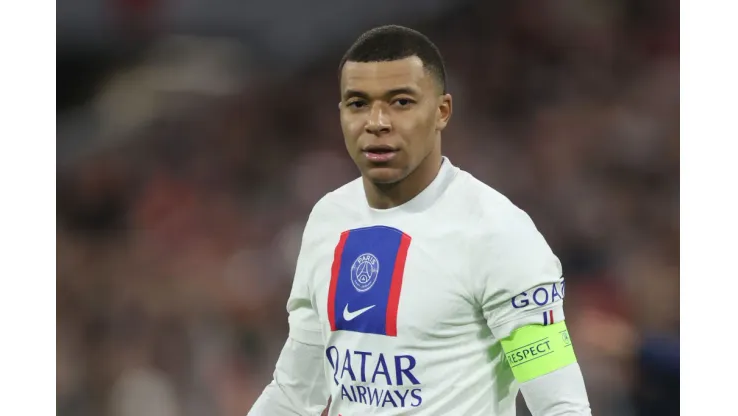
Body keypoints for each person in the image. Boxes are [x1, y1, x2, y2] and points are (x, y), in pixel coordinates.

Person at [248, 25, 592, 415]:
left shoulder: (497, 233)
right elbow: (295, 394)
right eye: (358, 103)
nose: (376, 121)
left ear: (442, 111)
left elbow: (562, 407)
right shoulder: (330, 220)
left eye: (401, 102)